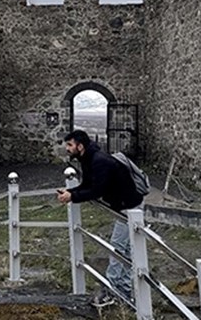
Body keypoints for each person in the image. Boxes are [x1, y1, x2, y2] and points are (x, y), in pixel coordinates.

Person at [57, 129, 143, 303]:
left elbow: (97, 190)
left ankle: (114, 291)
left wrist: (72, 196)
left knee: (118, 247)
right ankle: (125, 293)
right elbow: (88, 184)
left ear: (80, 146)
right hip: (124, 207)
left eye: (70, 145)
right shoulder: (89, 159)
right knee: (124, 250)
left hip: (130, 208)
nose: (67, 148)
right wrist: (71, 191)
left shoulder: (99, 161)